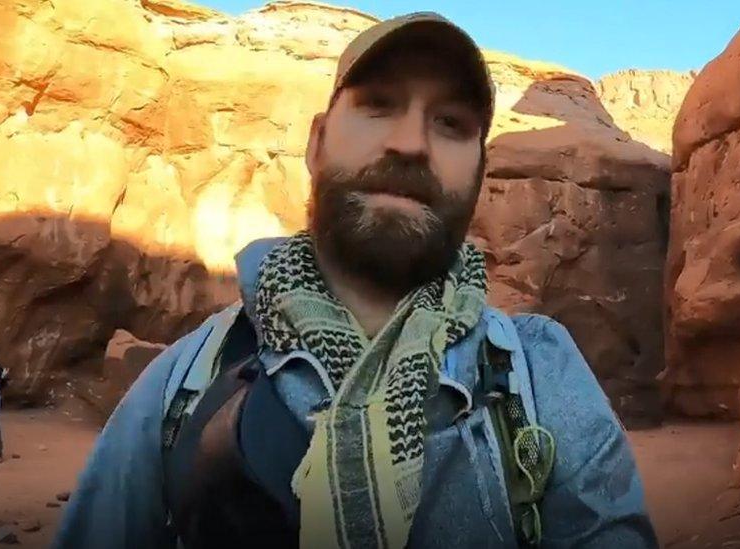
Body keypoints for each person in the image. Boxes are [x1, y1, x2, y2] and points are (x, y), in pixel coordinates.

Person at [55, 12, 657, 549]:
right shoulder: (186, 381)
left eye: (450, 123)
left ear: (480, 174)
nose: (409, 143)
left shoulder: (540, 372)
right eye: (378, 105)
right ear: (316, 143)